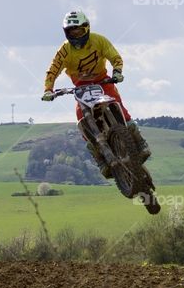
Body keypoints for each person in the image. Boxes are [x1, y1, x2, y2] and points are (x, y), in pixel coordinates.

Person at [41, 10, 150, 175]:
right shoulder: (64, 50)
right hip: (80, 88)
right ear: (66, 32)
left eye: (78, 30)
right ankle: (100, 159)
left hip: (102, 82)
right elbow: (53, 70)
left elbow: (115, 57)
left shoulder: (99, 40)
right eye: (71, 31)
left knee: (120, 107)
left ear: (86, 28)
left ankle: (140, 142)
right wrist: (48, 89)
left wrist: (117, 72)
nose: (75, 34)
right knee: (81, 120)